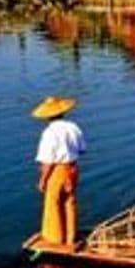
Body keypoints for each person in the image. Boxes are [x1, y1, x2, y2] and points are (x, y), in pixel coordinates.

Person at [32, 96, 86, 246]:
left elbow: (48, 162)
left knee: (53, 203)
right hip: (73, 169)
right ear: (63, 112)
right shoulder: (74, 127)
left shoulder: (49, 133)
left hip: (57, 171)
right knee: (69, 202)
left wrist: (42, 180)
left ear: (47, 116)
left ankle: (55, 239)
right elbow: (82, 149)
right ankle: (71, 238)